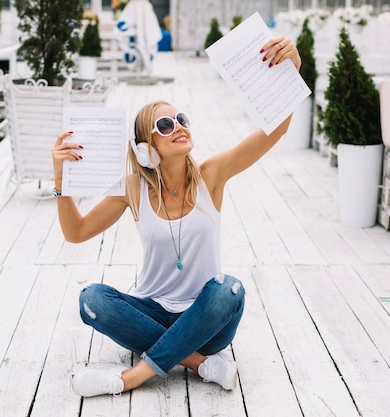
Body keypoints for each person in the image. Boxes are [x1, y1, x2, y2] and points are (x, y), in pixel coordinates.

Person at [51, 36, 301, 397]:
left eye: (180, 118)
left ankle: (129, 378)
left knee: (228, 289)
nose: (178, 126)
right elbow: (76, 232)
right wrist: (62, 181)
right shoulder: (132, 188)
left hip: (206, 321)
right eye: (165, 125)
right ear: (145, 148)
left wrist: (292, 69)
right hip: (151, 314)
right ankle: (199, 363)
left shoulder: (211, 175)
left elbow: (276, 129)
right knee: (92, 299)